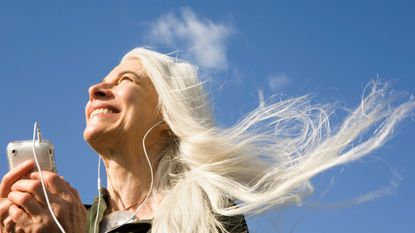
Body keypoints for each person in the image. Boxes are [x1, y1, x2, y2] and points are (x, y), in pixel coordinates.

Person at [0, 47, 414, 233]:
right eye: (100, 82)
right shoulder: (69, 216)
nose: (95, 89)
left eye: (124, 81)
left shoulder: (210, 217)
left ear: (166, 114)